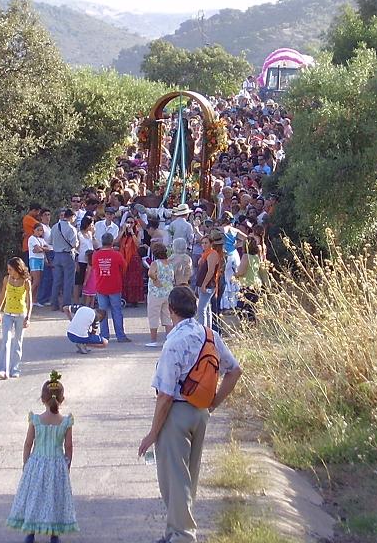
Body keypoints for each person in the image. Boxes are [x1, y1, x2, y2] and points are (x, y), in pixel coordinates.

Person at [138, 287, 242, 543]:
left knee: (174, 478)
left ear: (171, 309)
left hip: (176, 413)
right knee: (188, 477)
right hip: (200, 412)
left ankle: (182, 536)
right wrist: (212, 404)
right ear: (194, 309)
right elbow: (234, 371)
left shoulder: (174, 342)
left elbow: (165, 395)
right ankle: (174, 532)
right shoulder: (210, 335)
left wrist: (152, 434)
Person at [6, 371, 78, 543]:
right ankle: (54, 534)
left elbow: (28, 443)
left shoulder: (36, 420)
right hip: (57, 465)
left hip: (37, 464)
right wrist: (67, 463)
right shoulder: (66, 422)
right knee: (54, 497)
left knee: (35, 496)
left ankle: (30, 533)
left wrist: (26, 462)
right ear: (62, 399)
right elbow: (68, 446)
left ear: (42, 399)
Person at [0, 258, 32, 380]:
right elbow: (3, 294)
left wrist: (28, 317)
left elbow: (29, 301)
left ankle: (15, 369)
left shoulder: (26, 282)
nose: (8, 271)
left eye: (10, 269)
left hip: (21, 314)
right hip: (8, 314)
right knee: (5, 341)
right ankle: (2, 369)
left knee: (18, 343)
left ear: (17, 269)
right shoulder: (7, 279)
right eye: (8, 269)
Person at [92, 232, 131, 342]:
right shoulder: (117, 255)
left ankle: (104, 335)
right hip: (115, 286)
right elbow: (124, 267)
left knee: (102, 312)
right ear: (112, 242)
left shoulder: (96, 255)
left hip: (101, 286)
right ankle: (120, 335)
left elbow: (94, 268)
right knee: (117, 311)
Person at [50, 208, 80, 311]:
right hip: (67, 255)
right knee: (68, 281)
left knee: (56, 280)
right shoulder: (71, 229)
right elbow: (74, 244)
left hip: (56, 255)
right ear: (71, 217)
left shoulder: (55, 226)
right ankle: (66, 305)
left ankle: (54, 304)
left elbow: (50, 241)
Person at [146, 243, 175, 347]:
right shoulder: (169, 263)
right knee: (167, 317)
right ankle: (169, 339)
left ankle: (153, 340)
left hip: (156, 293)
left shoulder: (155, 263)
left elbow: (150, 273)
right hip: (168, 292)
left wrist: (155, 279)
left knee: (153, 316)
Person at [197, 230, 225, 331]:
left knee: (202, 309)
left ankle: (203, 331)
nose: (204, 245)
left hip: (209, 284)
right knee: (207, 309)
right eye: (202, 243)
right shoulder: (206, 254)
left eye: (206, 243)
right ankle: (208, 331)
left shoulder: (213, 254)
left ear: (211, 243)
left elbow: (211, 271)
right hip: (205, 283)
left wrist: (204, 284)